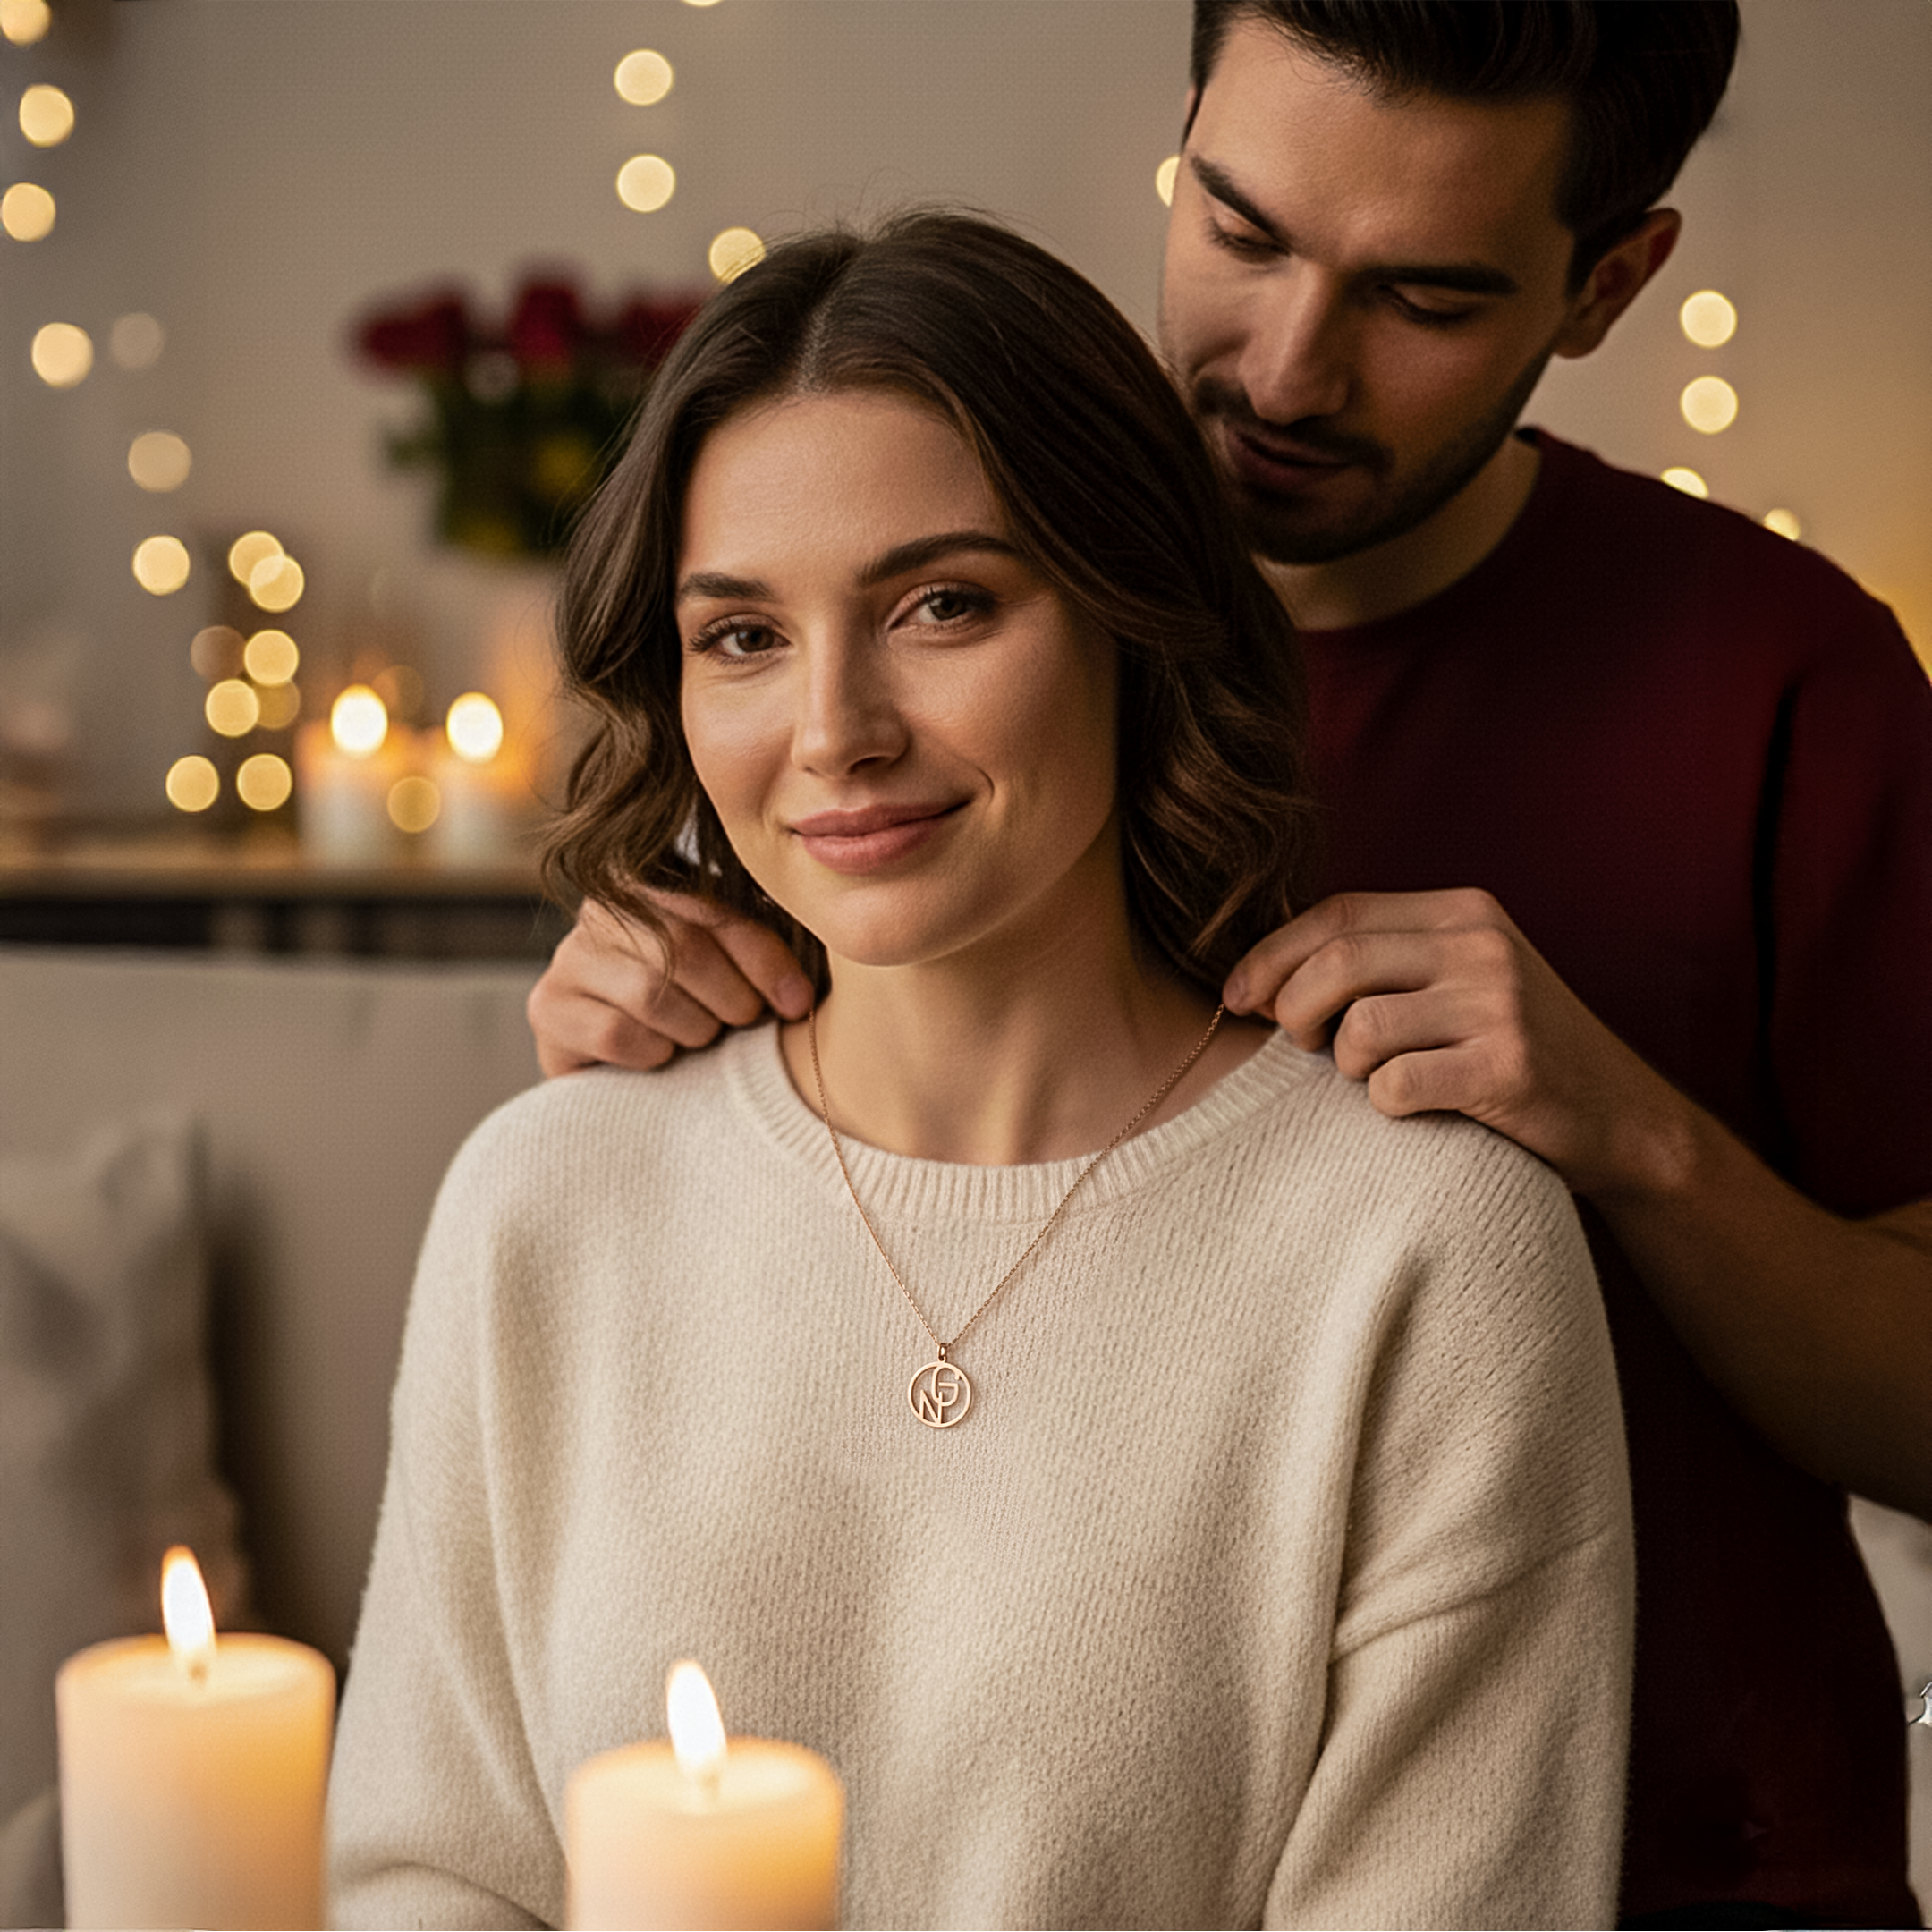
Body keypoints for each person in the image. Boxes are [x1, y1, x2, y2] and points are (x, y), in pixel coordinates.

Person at [523, 4, 1932, 1927]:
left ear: (1607, 284)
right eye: (1242, 231)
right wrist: (636, 1049)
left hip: (1701, 1862)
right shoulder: (905, 682)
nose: (1284, 369)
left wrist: (1639, 1138)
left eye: (1424, 297)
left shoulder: (1785, 679)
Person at [328, 213, 1633, 1929]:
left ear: (1130, 613)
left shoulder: (1429, 1247)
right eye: (742, 637)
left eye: (943, 604)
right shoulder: (545, 1198)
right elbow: (429, 1873)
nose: (835, 731)